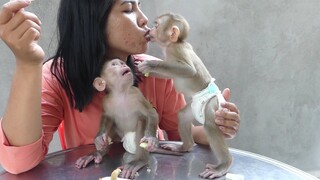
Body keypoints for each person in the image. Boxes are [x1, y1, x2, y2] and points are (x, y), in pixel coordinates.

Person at [0, 0, 240, 175]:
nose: (144, 19)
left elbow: (180, 138)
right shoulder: (58, 76)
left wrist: (215, 125)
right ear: (92, 21)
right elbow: (18, 163)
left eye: (139, 5)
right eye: (128, 8)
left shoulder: (154, 71)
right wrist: (27, 63)